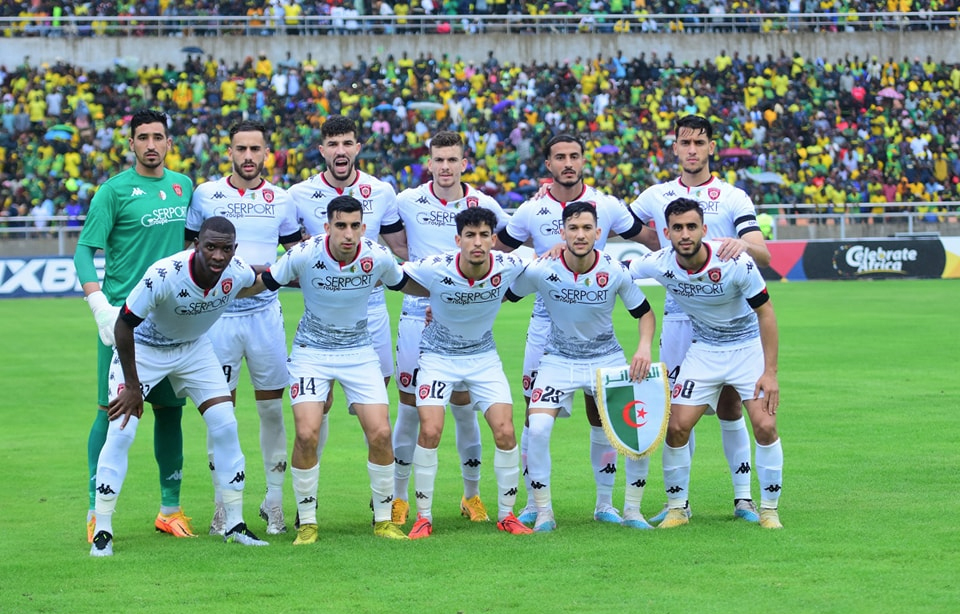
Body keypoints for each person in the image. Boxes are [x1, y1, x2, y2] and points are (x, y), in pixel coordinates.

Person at [496, 133, 660, 526]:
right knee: (534, 424)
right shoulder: (531, 213)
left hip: (603, 349)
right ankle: (538, 506)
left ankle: (609, 505)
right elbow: (497, 268)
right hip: (548, 334)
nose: (568, 162)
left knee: (612, 422)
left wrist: (643, 346)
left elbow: (650, 245)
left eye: (574, 156)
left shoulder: (608, 211)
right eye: (560, 157)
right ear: (548, 164)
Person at [90, 216, 271, 556]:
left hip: (193, 348)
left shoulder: (236, 270)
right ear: (196, 245)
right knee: (122, 431)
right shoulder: (164, 274)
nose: (218, 256)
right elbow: (124, 326)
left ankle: (234, 525)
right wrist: (132, 386)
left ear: (235, 249)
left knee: (226, 425)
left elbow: (259, 277)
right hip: (143, 349)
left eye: (226, 249)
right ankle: (102, 530)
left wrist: (292, 270)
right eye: (211, 247)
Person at [628, 114, 771, 524]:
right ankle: (679, 503)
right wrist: (656, 241)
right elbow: (620, 225)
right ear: (674, 148)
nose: (692, 150)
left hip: (730, 321)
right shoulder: (656, 195)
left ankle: (743, 499)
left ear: (711, 147)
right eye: (684, 143)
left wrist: (740, 242)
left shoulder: (732, 196)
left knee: (730, 408)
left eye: (699, 142)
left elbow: (764, 256)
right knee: (676, 413)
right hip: (678, 318)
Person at [259, 196, 417, 543]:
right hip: (311, 352)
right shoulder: (304, 254)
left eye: (355, 226)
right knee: (306, 434)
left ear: (363, 227)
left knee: (379, 434)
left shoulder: (376, 256)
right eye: (341, 226)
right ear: (327, 227)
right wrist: (216, 290)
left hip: (359, 352)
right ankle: (308, 522)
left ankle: (382, 520)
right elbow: (266, 281)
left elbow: (407, 284)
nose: (349, 234)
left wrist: (446, 296)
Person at [74, 108, 195, 543]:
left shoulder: (185, 186)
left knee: (169, 411)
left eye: (157, 136)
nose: (150, 144)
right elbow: (84, 253)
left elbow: (194, 248)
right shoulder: (113, 191)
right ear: (130, 144)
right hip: (123, 323)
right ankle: (95, 512)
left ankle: (170, 509)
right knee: (111, 412)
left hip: (172, 322)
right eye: (141, 137)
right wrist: (99, 307)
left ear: (168, 142)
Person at [288, 115, 407, 524]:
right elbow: (289, 253)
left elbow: (399, 249)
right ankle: (308, 508)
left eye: (348, 143)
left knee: (374, 421)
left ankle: (383, 507)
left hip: (370, 315)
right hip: (321, 314)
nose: (341, 150)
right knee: (314, 414)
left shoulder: (382, 190)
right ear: (322, 149)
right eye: (333, 143)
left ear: (358, 147)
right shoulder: (299, 194)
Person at [186, 119, 303, 536]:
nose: (248, 157)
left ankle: (273, 502)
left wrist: (267, 274)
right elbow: (189, 253)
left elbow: (296, 256)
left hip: (265, 317)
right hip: (217, 320)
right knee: (221, 414)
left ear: (266, 153)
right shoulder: (206, 194)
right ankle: (224, 506)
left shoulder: (282, 200)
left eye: (256, 149)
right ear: (229, 152)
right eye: (241, 149)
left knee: (272, 410)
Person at [391, 130, 511, 527]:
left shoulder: (485, 204)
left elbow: (508, 247)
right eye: (438, 159)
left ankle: (471, 496)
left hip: (463, 321)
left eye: (452, 160)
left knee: (464, 413)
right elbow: (391, 248)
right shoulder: (407, 201)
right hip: (416, 316)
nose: (445, 167)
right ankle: (399, 498)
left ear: (465, 163)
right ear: (429, 163)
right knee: (412, 413)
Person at [401, 207, 532, 539]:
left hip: (482, 357)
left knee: (505, 431)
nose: (478, 242)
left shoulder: (509, 265)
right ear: (458, 240)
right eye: (470, 236)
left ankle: (507, 515)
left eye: (484, 235)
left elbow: (546, 267)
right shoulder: (435, 268)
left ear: (493, 240)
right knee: (430, 430)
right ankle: (423, 516)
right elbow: (393, 275)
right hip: (437, 357)